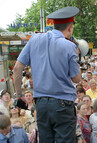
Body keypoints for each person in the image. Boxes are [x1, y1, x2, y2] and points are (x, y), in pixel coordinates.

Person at [13, 7, 81, 143]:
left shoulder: (34, 39)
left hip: (41, 104)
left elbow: (17, 68)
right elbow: (77, 78)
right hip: (63, 105)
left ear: (54, 24)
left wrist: (19, 94)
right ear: (70, 28)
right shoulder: (70, 46)